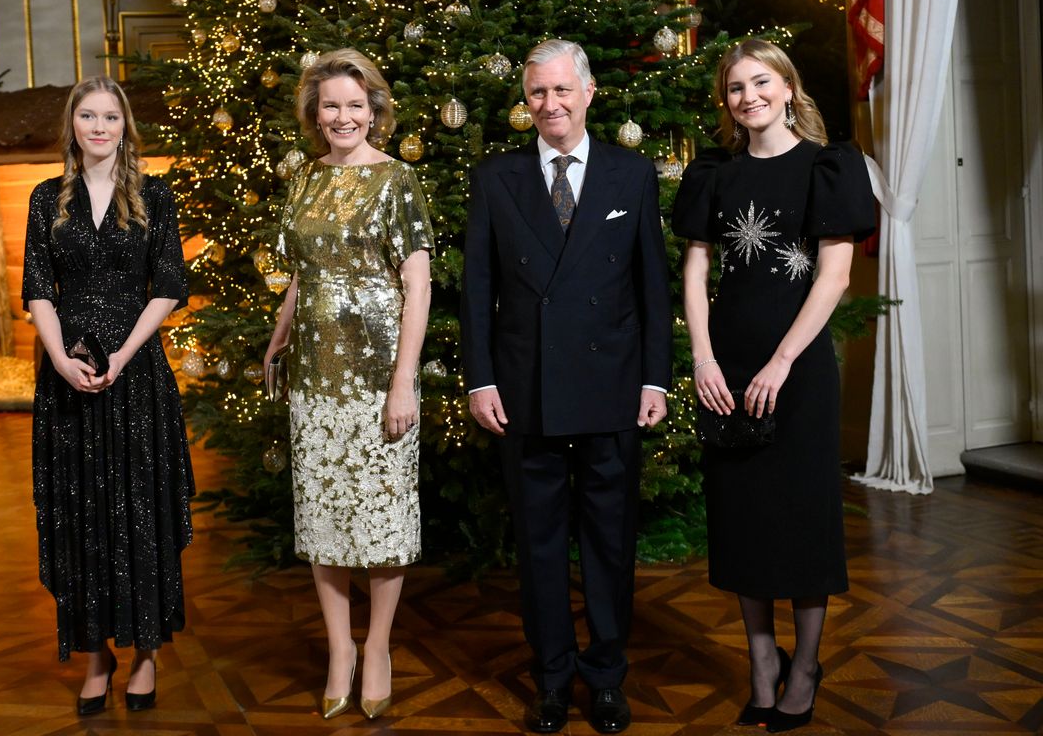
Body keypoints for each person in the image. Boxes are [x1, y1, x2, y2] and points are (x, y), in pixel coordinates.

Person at [460, 39, 672, 735]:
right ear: (527, 103)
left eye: (560, 91)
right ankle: (553, 677)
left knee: (610, 541)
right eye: (537, 94)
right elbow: (478, 289)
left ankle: (606, 676)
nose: (549, 104)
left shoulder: (631, 173)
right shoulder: (497, 178)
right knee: (541, 542)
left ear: (587, 94)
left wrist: (654, 379)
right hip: (525, 390)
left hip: (613, 384)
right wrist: (481, 379)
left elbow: (651, 284)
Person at [671, 38, 875, 733]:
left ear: (788, 88)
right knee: (744, 517)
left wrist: (783, 361)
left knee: (801, 516)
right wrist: (702, 358)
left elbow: (835, 277)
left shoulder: (828, 167)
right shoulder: (715, 175)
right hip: (727, 365)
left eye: (761, 82)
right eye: (735, 88)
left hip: (799, 369)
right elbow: (696, 271)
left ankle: (807, 665)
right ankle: (762, 664)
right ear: (726, 102)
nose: (748, 96)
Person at [263, 48, 433, 721]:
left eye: (355, 106)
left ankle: (380, 646)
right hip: (315, 378)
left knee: (383, 520)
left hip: (376, 376)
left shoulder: (397, 182)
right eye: (330, 105)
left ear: (375, 111)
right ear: (315, 112)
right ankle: (341, 650)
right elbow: (305, 272)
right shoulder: (304, 179)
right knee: (324, 519)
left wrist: (403, 383)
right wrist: (281, 331)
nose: (342, 116)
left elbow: (416, 284)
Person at [22, 75, 194, 715]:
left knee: (138, 507)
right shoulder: (46, 198)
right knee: (82, 510)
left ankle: (146, 651)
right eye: (88, 117)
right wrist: (60, 359)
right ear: (72, 125)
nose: (99, 128)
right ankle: (97, 653)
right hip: (67, 373)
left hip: (136, 368)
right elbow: (37, 286)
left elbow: (169, 283)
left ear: (126, 127)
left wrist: (123, 354)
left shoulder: (155, 194)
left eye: (111, 118)